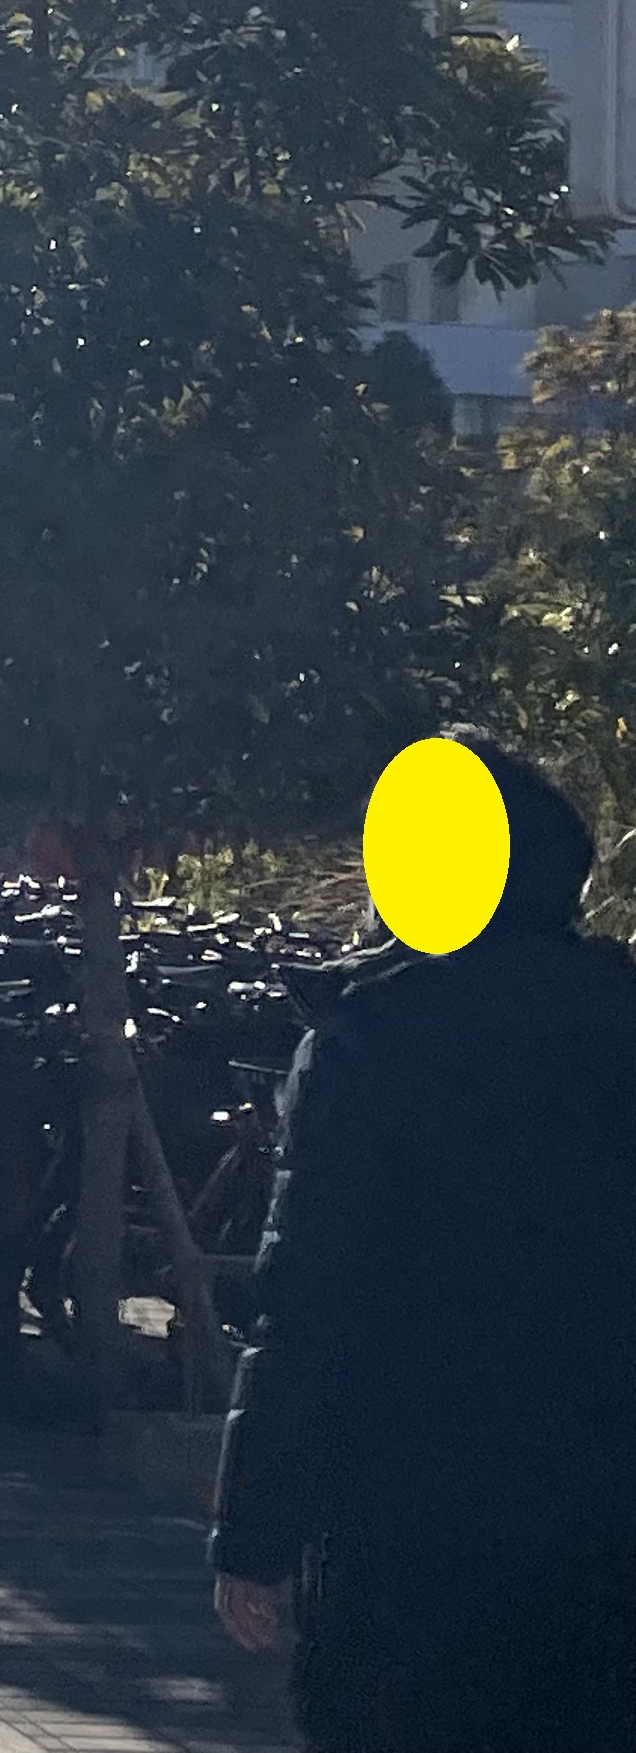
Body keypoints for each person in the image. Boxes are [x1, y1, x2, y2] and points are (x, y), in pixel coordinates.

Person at [212, 740, 636, 1751]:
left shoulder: (373, 1040)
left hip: (404, 1520)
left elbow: (307, 1302)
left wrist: (256, 1533)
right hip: (603, 1522)